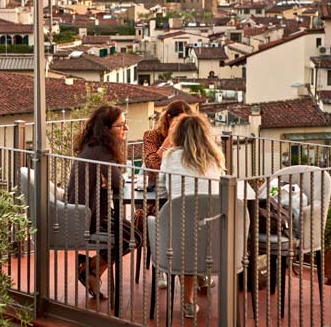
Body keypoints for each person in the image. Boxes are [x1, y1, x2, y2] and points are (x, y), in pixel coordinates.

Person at [67, 105, 142, 299]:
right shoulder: (103, 152)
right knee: (132, 238)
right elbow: (118, 184)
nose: (125, 129)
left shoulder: (93, 146)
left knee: (133, 234)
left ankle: (91, 269)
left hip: (85, 210)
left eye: (126, 125)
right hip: (90, 216)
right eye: (121, 126)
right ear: (107, 130)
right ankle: (91, 268)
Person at [160, 113, 225, 319]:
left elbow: (162, 191)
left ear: (177, 134)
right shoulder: (215, 159)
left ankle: (188, 301)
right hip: (214, 235)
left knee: (185, 231)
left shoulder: (170, 157)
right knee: (197, 229)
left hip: (180, 234)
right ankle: (207, 281)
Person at [140, 100, 192, 289]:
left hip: (184, 192)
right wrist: (168, 142)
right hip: (157, 195)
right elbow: (152, 165)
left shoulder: (191, 138)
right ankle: (160, 266)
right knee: (162, 215)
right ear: (169, 118)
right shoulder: (152, 136)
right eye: (180, 121)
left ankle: (194, 271)